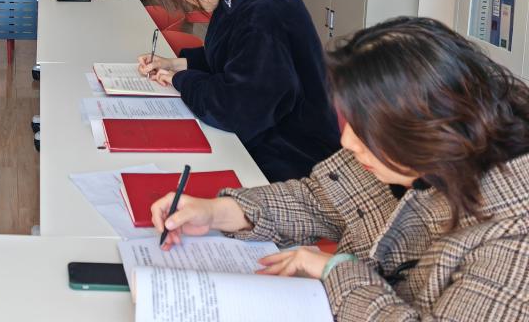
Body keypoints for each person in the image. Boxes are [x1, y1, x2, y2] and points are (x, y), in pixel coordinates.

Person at [150, 17, 529, 321]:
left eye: (363, 130)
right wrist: (217, 211)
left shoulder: (514, 240)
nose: (347, 141)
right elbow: (319, 199)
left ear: (429, 132)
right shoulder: (420, 154)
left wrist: (337, 272)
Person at [137, 0, 339, 181]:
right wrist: (177, 64)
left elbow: (235, 109)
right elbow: (238, 58)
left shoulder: (265, 13)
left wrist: (181, 80)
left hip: (289, 160)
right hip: (262, 140)